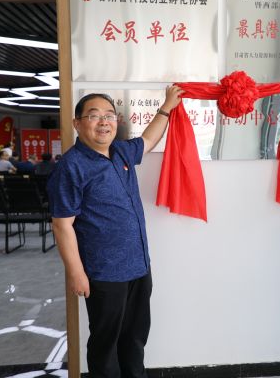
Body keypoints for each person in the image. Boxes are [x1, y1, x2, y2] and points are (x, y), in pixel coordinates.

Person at [47, 86, 184, 378]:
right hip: (104, 272)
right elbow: (62, 224)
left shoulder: (121, 151)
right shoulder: (71, 166)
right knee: (105, 344)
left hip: (138, 266)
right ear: (77, 123)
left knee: (135, 337)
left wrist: (167, 107)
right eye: (94, 116)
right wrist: (76, 273)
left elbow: (148, 140)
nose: (104, 122)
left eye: (109, 115)